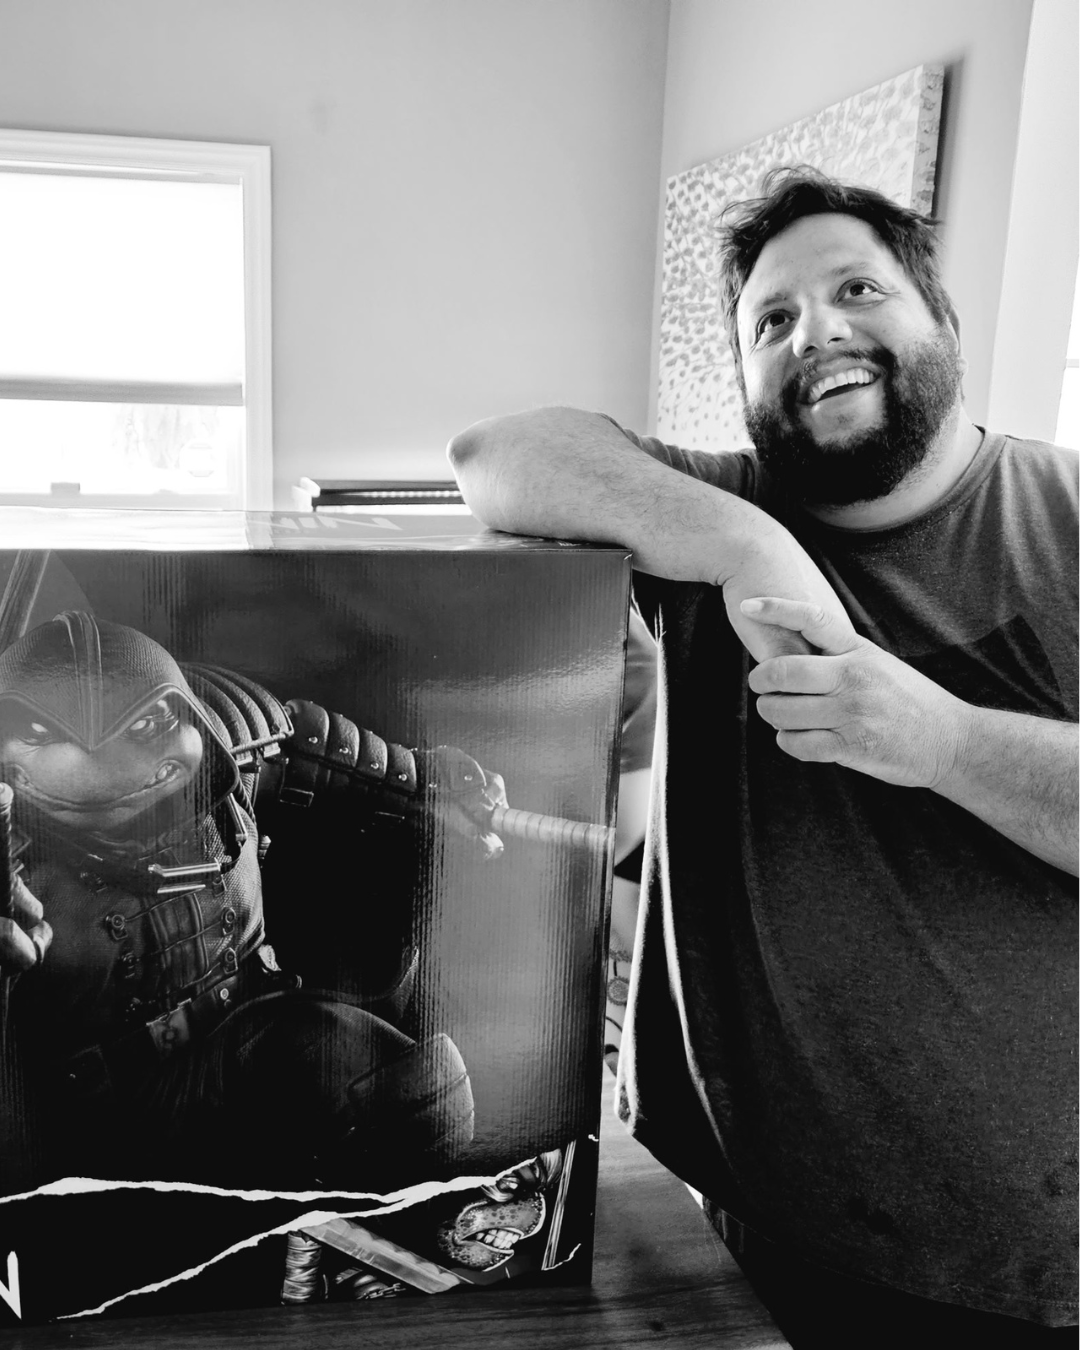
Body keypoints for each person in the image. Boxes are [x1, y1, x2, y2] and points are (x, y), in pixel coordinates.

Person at [447, 168, 1078, 1346]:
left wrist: (941, 739)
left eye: (857, 291)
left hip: (1031, 1265)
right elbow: (497, 451)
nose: (815, 332)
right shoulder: (706, 511)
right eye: (770, 322)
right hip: (751, 1209)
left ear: (942, 318)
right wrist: (746, 549)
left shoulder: (1066, 517)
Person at [0, 608, 505, 1194]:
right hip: (97, 1119)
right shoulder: (13, 857)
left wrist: (435, 786)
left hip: (252, 1025)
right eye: (42, 734)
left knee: (418, 1103)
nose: (101, 764)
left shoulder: (234, 752)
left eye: (145, 724)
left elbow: (330, 756)